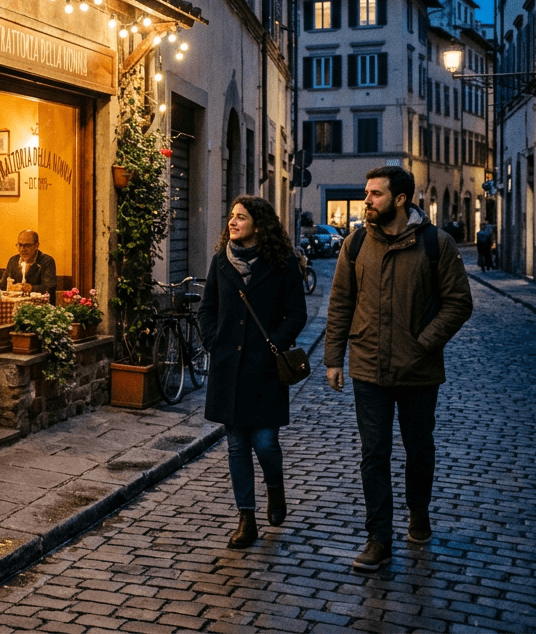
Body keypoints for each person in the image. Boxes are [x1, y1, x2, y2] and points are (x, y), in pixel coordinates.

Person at [325, 166, 473, 572]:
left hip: (418, 371)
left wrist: (424, 342)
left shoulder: (435, 243)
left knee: (419, 448)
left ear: (400, 199)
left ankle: (418, 512)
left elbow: (459, 303)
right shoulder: (355, 244)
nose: (367, 200)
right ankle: (378, 538)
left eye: (375, 194)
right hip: (368, 367)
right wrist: (334, 358)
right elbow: (340, 303)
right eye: (366, 192)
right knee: (374, 453)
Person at [198, 196, 307, 550]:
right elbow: (207, 309)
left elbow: (296, 313)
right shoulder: (221, 261)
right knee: (236, 446)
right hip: (229, 368)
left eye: (241, 217)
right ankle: (247, 518)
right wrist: (214, 341)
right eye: (231, 216)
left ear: (258, 225)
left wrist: (274, 342)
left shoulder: (282, 263)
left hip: (265, 369)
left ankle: (275, 488)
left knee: (265, 442)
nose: (232, 222)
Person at [0, 230, 58, 302]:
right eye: (20, 245)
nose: (22, 249)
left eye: (27, 246)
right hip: (15, 305)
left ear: (36, 246)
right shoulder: (13, 260)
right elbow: (3, 285)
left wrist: (31, 288)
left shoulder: (46, 261)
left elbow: (49, 287)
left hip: (39, 306)